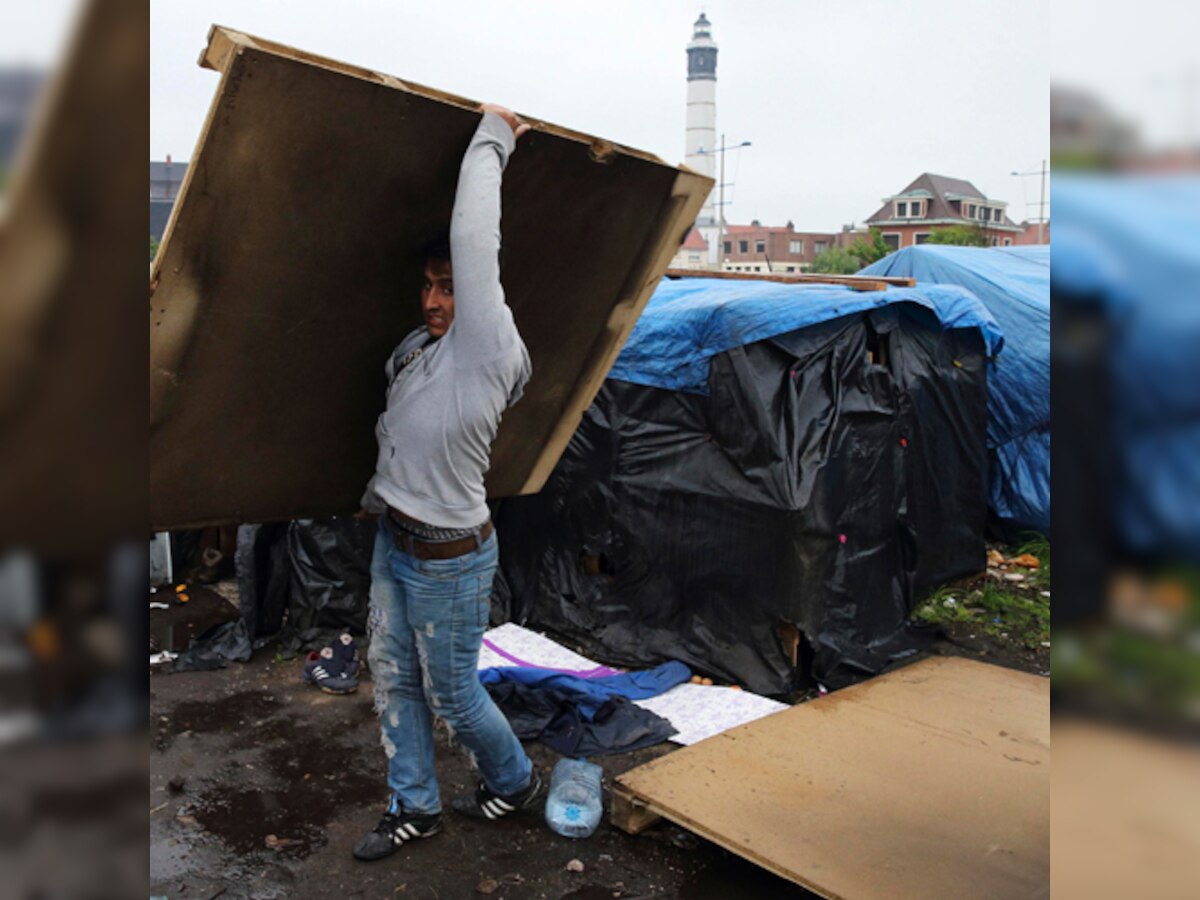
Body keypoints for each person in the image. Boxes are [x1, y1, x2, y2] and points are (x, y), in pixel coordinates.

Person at [352, 104, 539, 863]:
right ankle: (415, 806)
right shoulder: (419, 351)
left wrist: (493, 136)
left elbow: (473, 238)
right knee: (391, 676)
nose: (434, 300)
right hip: (397, 544)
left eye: (448, 288)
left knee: (453, 695)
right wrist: (376, 497)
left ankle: (515, 779)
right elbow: (401, 434)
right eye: (426, 287)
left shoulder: (484, 349)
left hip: (450, 561)